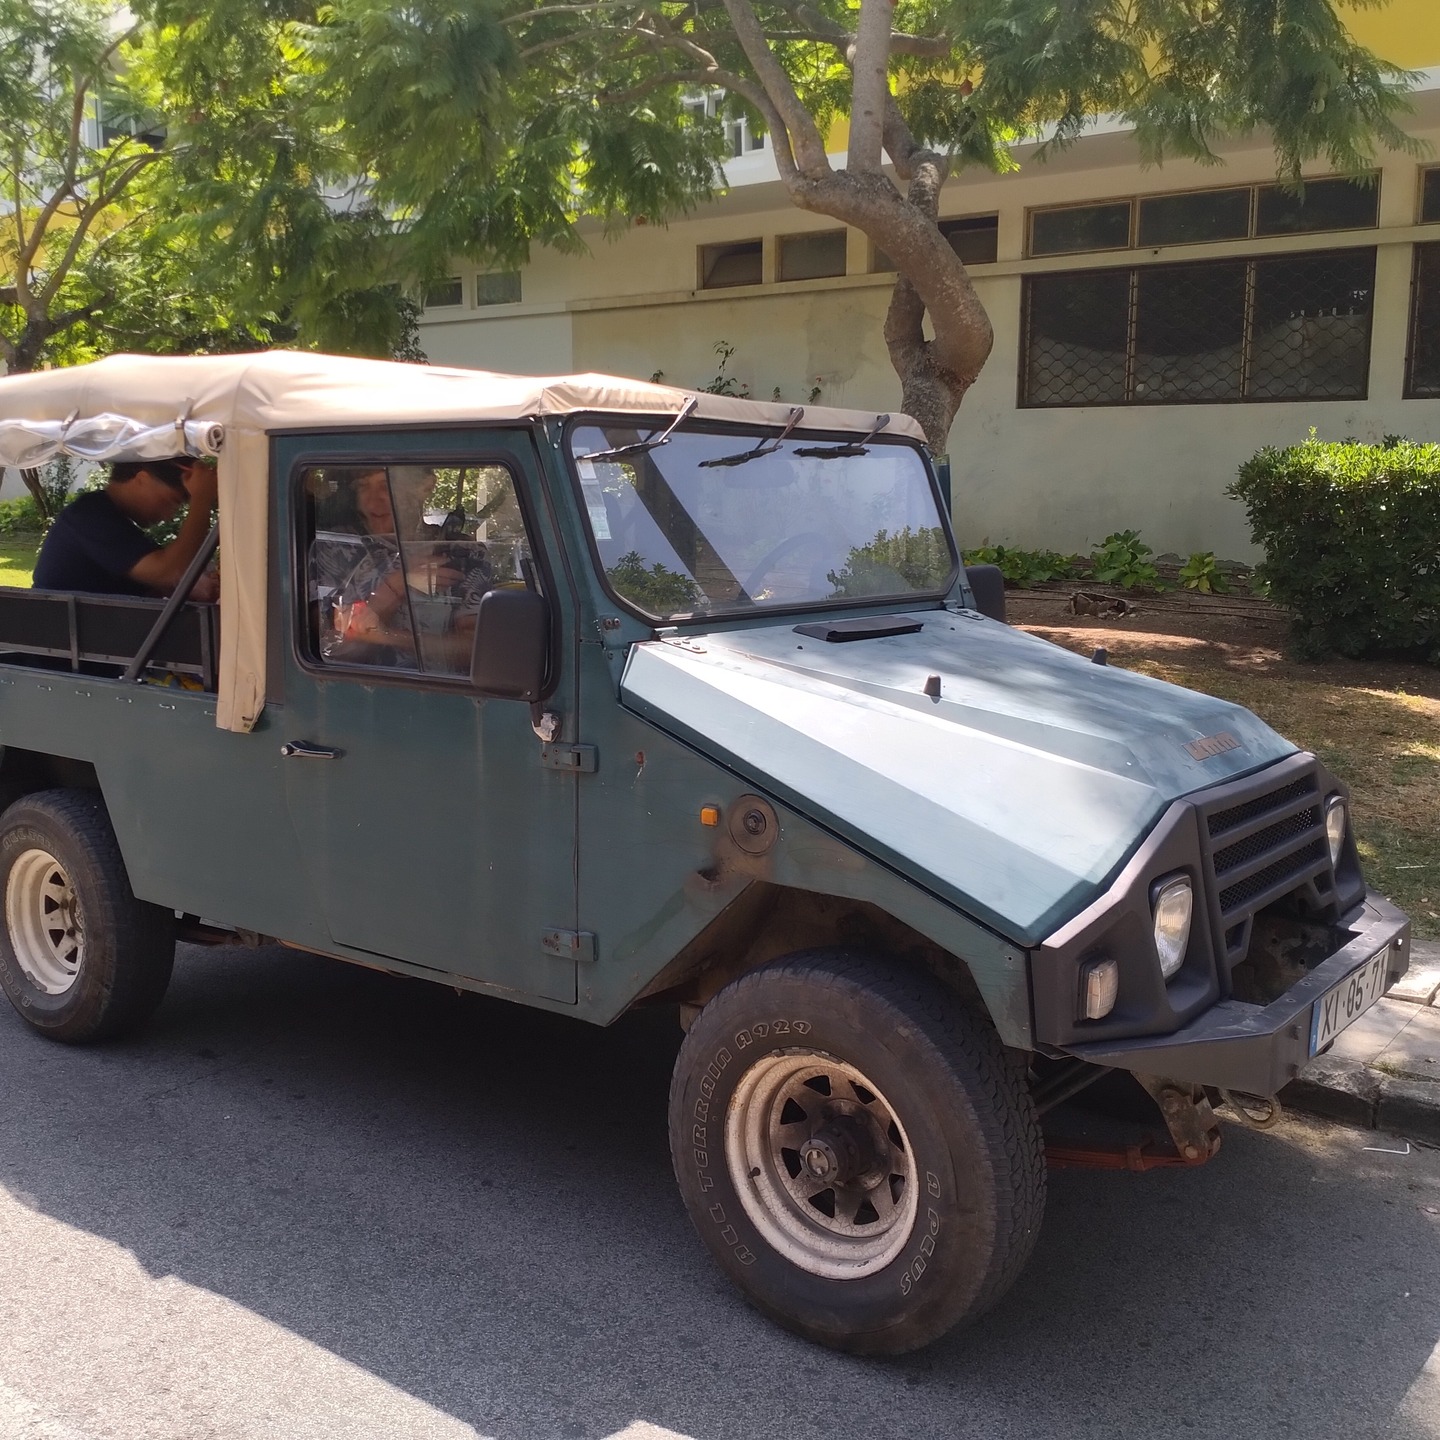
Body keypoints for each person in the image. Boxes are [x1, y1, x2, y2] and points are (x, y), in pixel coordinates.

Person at [32, 457, 219, 600]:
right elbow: (167, 571)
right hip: (62, 643)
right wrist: (201, 500)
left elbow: (160, 578)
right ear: (141, 479)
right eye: (170, 502)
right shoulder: (90, 516)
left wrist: (188, 585)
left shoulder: (110, 517)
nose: (169, 516)